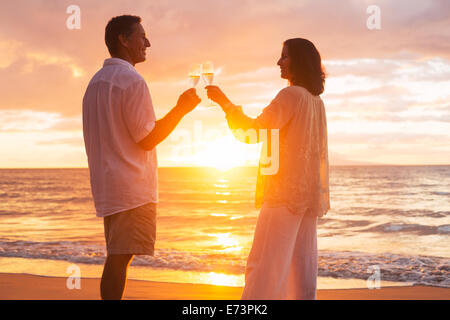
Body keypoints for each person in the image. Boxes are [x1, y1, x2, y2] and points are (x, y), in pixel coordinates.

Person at [82, 15, 201, 300]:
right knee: (120, 258)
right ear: (123, 40)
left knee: (118, 255)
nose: (147, 43)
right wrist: (181, 109)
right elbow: (147, 138)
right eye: (141, 36)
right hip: (131, 186)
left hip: (108, 185)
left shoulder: (95, 83)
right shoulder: (132, 81)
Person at [206, 38, 330, 300]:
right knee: (300, 272)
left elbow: (251, 133)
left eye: (284, 56)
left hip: (282, 194)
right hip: (306, 198)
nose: (278, 62)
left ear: (298, 61)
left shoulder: (291, 95)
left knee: (264, 268)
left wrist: (224, 103)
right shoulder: (316, 102)